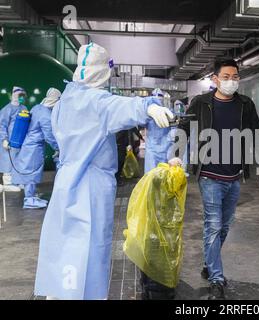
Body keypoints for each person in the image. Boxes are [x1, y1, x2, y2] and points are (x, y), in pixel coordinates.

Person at [34, 43, 174, 300]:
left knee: (65, 240)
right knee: (91, 245)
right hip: (91, 183)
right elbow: (119, 107)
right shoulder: (94, 100)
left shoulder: (66, 99)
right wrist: (149, 107)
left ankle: (60, 290)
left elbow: (56, 137)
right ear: (103, 72)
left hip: (66, 180)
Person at [170, 59, 259, 300]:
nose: (232, 81)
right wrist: (176, 155)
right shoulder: (201, 102)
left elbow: (257, 133)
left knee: (224, 226)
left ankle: (209, 261)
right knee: (213, 225)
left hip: (235, 175)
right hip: (209, 174)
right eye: (226, 77)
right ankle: (216, 278)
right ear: (215, 79)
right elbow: (184, 128)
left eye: (235, 77)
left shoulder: (245, 104)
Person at [11, 88, 61, 209]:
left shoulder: (37, 107)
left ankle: (31, 196)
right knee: (31, 171)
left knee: (29, 170)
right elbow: (49, 135)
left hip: (28, 144)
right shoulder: (46, 115)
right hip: (34, 147)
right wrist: (58, 147)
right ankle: (29, 199)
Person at [0, 86, 28, 192]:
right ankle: (8, 183)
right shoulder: (7, 109)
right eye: (19, 96)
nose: (21, 98)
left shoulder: (24, 108)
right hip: (9, 141)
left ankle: (17, 181)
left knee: (18, 161)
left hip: (20, 140)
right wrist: (4, 139)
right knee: (8, 159)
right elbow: (2, 125)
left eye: (22, 96)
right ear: (13, 95)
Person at [144, 88, 175, 173]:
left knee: (163, 174)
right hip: (152, 149)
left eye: (160, 96)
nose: (157, 98)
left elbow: (174, 127)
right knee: (151, 176)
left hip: (165, 147)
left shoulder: (168, 111)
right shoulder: (148, 112)